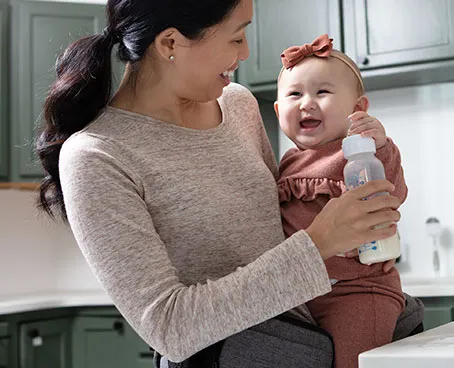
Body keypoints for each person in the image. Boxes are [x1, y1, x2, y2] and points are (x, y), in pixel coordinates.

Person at [34, 0, 406, 365]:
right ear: (170, 44)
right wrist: (320, 242)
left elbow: (280, 222)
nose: (245, 52)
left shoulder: (237, 104)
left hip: (306, 348)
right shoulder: (96, 155)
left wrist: (355, 250)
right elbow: (169, 327)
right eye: (236, 36)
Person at [275, 34, 408, 367]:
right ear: (278, 110)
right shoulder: (287, 163)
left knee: (355, 361)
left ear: (358, 109)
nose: (306, 103)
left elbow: (391, 190)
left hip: (359, 291)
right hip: (301, 293)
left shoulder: (362, 157)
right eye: (294, 94)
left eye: (322, 92)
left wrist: (379, 145)